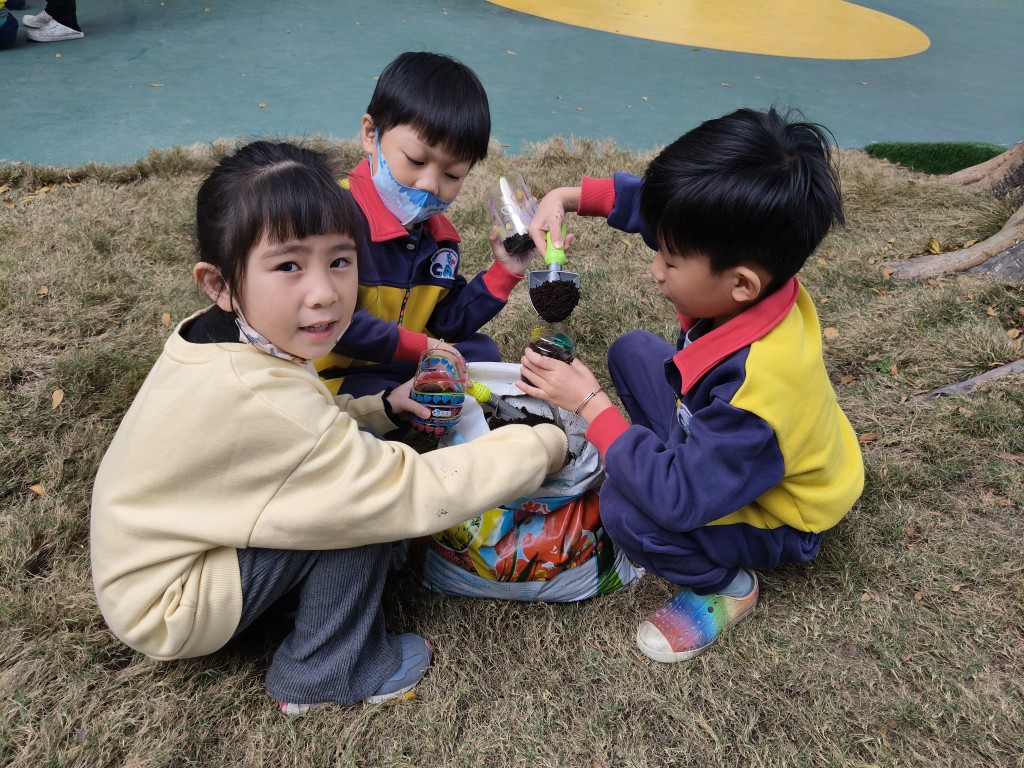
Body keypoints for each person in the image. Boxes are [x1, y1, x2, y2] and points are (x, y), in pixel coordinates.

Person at [90, 140, 568, 717]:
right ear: (219, 283)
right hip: (170, 605)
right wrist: (540, 445)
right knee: (366, 509)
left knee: (352, 476)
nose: (324, 293)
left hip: (170, 557)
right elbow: (404, 492)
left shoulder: (227, 336)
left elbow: (295, 428)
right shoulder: (263, 394)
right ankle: (325, 671)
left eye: (340, 261)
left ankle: (299, 600)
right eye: (288, 266)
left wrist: (384, 406)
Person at [520, 107, 865, 663]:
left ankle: (727, 586)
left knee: (627, 511)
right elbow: (667, 212)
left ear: (741, 284)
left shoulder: (757, 394)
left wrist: (589, 405)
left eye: (671, 259)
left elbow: (678, 502)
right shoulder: (755, 269)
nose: (656, 267)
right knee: (632, 351)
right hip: (734, 447)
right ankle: (666, 460)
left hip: (782, 513)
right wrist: (567, 197)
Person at [316, 51, 535, 398]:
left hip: (405, 361)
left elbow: (446, 324)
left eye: (453, 175)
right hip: (338, 373)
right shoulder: (330, 218)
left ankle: (414, 394)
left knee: (481, 352)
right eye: (416, 160)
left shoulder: (439, 239)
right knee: (383, 389)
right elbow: (333, 321)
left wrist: (504, 272)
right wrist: (422, 348)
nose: (431, 184)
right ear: (371, 134)